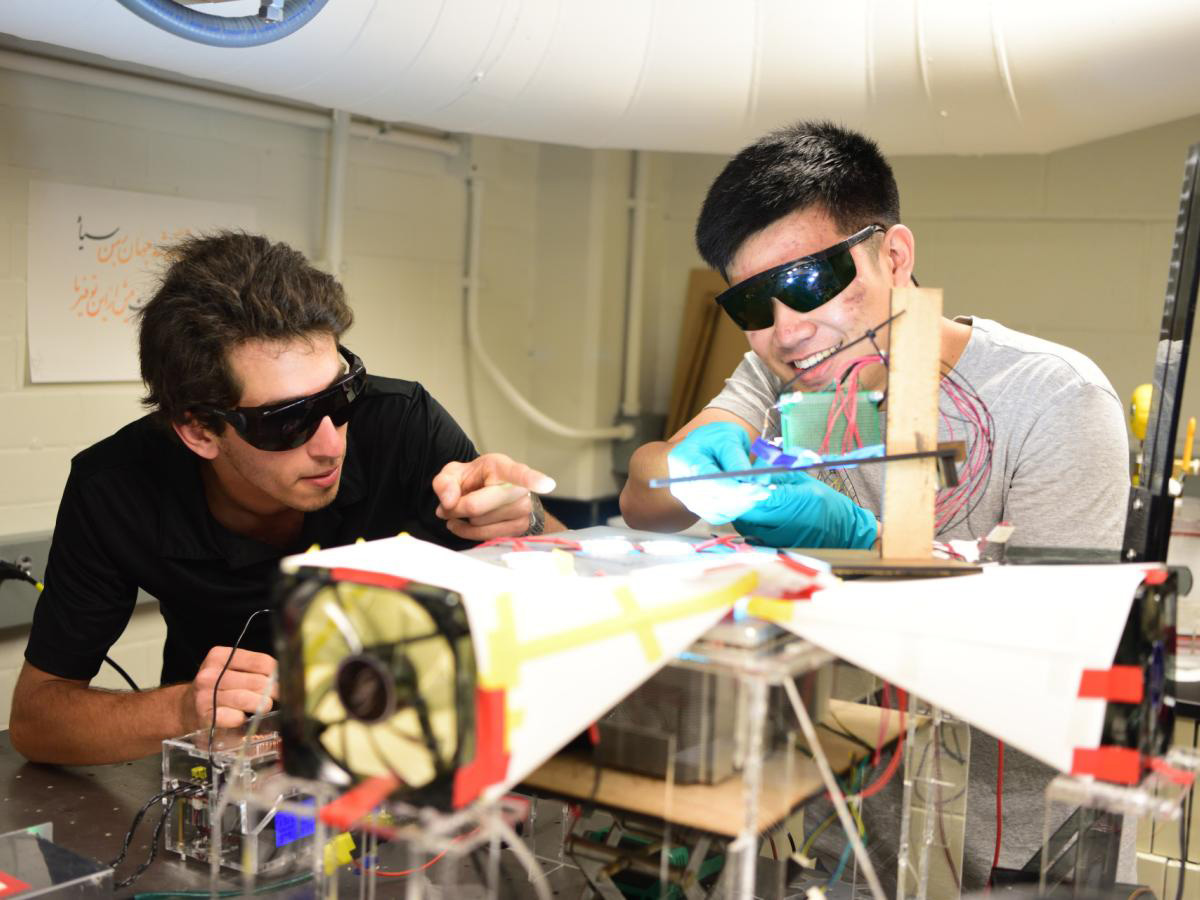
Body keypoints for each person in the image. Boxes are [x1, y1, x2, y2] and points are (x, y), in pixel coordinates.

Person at [619, 122, 1132, 886]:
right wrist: (685, 468)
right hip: (843, 822)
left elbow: (1051, 661)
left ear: (894, 256)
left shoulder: (1054, 397)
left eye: (811, 281)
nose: (787, 330)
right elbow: (642, 496)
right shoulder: (783, 370)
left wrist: (867, 544)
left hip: (1010, 846)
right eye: (752, 304)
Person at [10, 232, 560, 766]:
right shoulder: (117, 486)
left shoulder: (402, 425)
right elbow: (38, 720)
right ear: (200, 431)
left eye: (341, 395)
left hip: (416, 750)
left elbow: (568, 583)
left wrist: (526, 521)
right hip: (232, 773)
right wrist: (180, 709)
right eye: (287, 422)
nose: (330, 445)